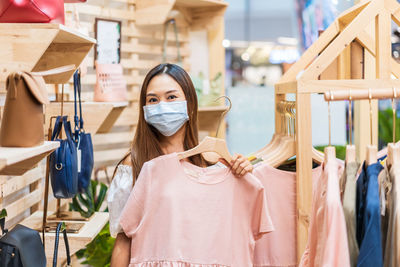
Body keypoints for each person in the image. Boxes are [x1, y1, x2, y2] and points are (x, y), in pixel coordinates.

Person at [108, 63, 254, 266]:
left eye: (171, 97)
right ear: (144, 108)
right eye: (153, 100)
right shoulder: (133, 165)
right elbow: (123, 242)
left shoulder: (210, 163)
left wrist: (241, 172)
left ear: (190, 104)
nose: (162, 105)